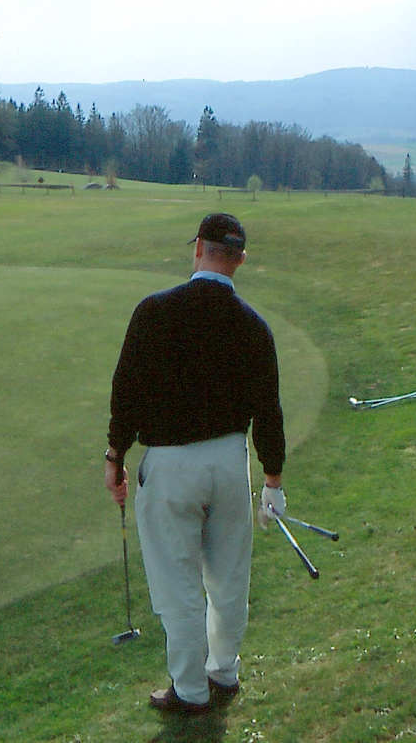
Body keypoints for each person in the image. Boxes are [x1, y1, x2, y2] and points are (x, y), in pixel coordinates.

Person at [104, 212, 286, 713]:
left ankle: (189, 691)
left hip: (169, 467)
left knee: (177, 585)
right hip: (230, 462)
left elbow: (126, 394)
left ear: (198, 248)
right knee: (229, 578)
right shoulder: (254, 326)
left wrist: (115, 457)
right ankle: (223, 671)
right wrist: (273, 480)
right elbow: (268, 411)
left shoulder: (153, 312)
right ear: (241, 259)